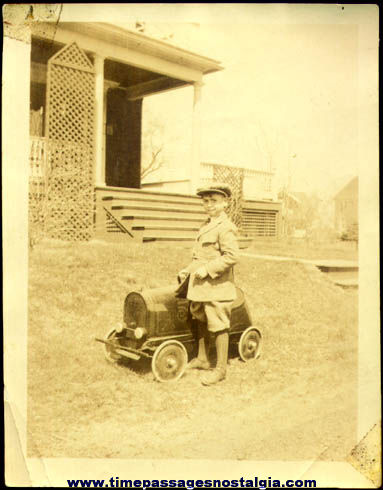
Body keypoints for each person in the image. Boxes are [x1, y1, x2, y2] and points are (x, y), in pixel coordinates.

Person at [177, 182, 239, 386]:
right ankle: (203, 359)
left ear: (225, 203)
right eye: (206, 201)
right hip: (200, 287)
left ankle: (220, 369)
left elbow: (231, 257)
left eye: (214, 201)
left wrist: (208, 269)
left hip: (217, 287)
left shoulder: (226, 227)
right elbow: (199, 257)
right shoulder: (205, 226)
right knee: (200, 319)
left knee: (219, 324)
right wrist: (188, 269)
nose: (209, 204)